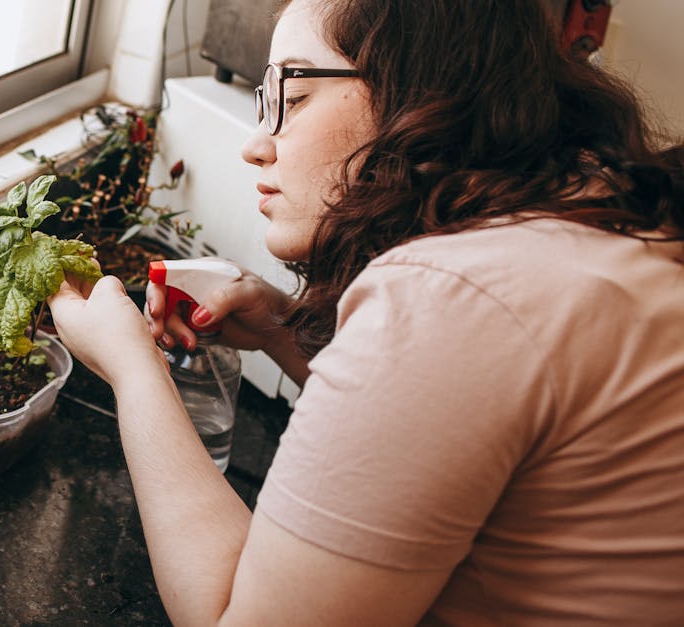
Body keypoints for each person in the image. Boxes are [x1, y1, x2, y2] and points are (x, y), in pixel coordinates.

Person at [46, 0, 684, 624]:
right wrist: (279, 329)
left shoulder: (449, 297)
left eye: (291, 98)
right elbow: (450, 439)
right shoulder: (586, 201)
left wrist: (133, 370)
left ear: (424, 88)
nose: (255, 144)